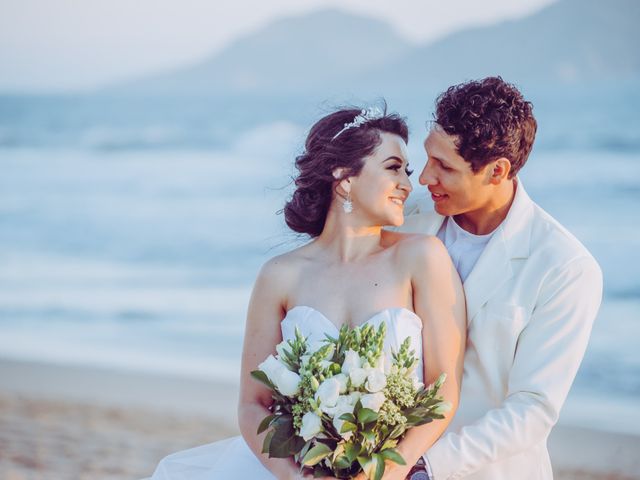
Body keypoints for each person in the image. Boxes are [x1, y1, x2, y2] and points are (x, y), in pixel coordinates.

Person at [149, 106, 467, 480]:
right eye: (393, 167)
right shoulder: (280, 276)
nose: (408, 184)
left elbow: (443, 392)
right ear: (344, 177)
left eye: (406, 172)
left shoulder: (421, 257)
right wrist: (294, 475)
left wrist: (389, 471)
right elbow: (253, 405)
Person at [401, 77, 603, 480]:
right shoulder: (405, 220)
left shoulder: (564, 266)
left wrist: (425, 467)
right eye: (427, 157)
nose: (423, 178)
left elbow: (533, 408)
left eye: (444, 167)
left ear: (497, 171)